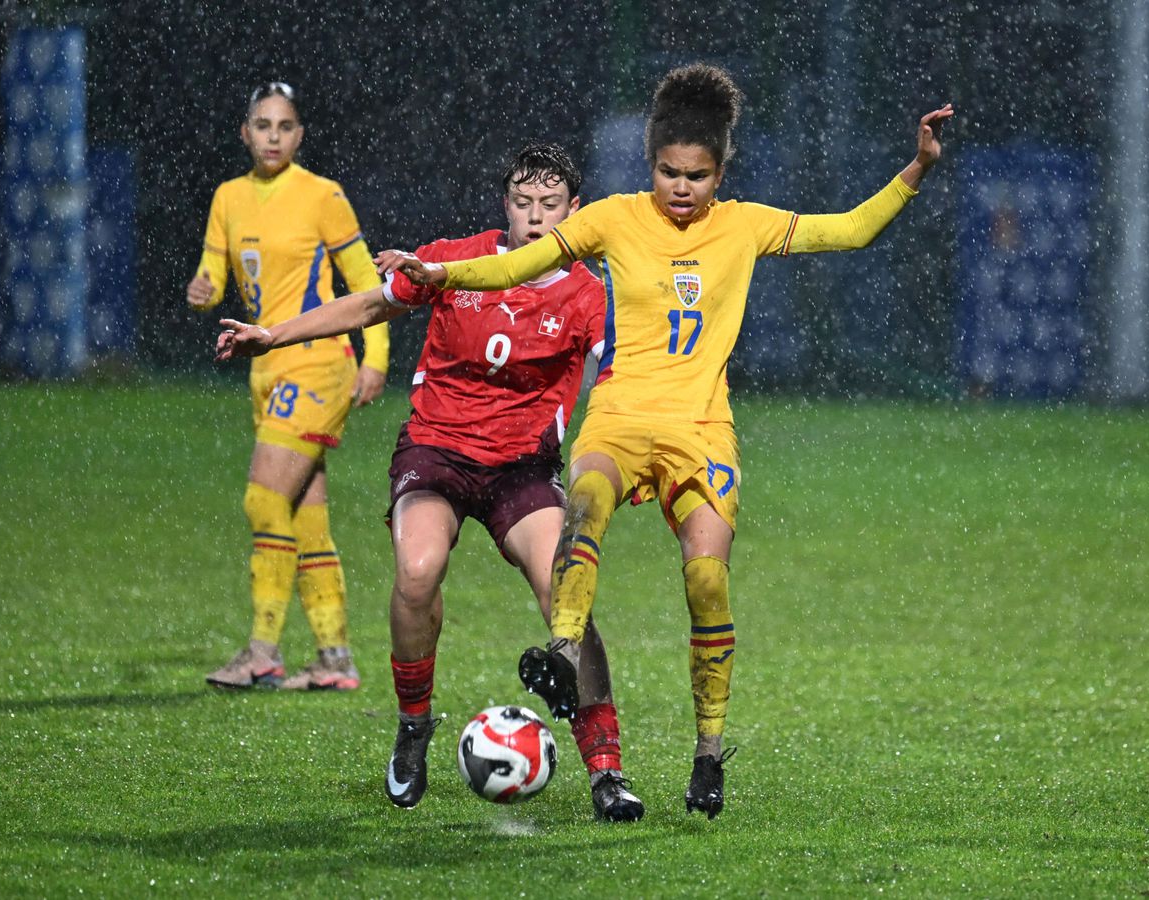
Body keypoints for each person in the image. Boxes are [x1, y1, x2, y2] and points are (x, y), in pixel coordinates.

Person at [392, 63, 954, 820]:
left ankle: (708, 753)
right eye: (667, 172)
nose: (680, 188)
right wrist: (441, 272)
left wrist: (918, 166)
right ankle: (563, 653)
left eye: (697, 176)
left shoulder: (747, 225)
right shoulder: (614, 218)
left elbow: (850, 229)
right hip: (620, 418)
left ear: (721, 172)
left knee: (707, 582)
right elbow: (520, 263)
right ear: (649, 163)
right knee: (584, 506)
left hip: (700, 430)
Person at [214, 143, 645, 822]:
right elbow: (368, 306)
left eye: (550, 205)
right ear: (505, 205)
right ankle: (414, 726)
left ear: (575, 210)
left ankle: (608, 771)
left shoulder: (588, 294)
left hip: (522, 469)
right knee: (417, 572)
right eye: (523, 203)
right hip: (436, 451)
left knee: (566, 598)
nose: (535, 218)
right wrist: (273, 336)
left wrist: (635, 450)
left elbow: (625, 374)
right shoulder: (453, 262)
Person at [187, 81, 390, 691]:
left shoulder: (323, 196)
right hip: (267, 369)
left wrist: (376, 357)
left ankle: (262, 651)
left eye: (284, 126)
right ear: (244, 133)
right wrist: (202, 292)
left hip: (318, 363)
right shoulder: (228, 197)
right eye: (262, 125)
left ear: (299, 135)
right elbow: (213, 274)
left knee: (263, 500)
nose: (273, 137)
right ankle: (334, 659)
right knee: (305, 518)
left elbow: (366, 283)